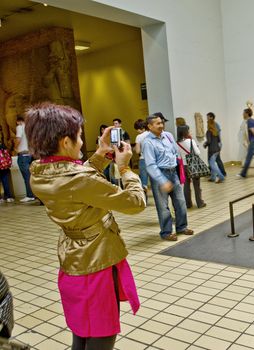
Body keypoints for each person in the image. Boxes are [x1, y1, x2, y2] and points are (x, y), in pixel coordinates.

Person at [26, 102, 146, 350]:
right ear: (65, 142)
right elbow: (135, 202)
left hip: (73, 260)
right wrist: (124, 168)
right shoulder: (78, 179)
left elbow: (76, 181)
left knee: (81, 333)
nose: (82, 142)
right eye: (79, 137)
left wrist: (101, 153)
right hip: (95, 264)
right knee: (101, 335)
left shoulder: (39, 171)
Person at [142, 113, 194, 241]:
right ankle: (166, 232)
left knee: (180, 202)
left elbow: (175, 151)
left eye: (161, 122)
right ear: (150, 126)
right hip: (159, 175)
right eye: (158, 123)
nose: (161, 125)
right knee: (163, 206)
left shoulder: (168, 136)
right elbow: (150, 165)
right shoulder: (148, 142)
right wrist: (162, 181)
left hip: (173, 172)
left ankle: (182, 227)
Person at [177, 125, 206, 208]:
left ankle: (188, 204)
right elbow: (197, 153)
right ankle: (200, 203)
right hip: (193, 165)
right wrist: (196, 147)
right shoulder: (190, 141)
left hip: (184, 166)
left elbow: (178, 157)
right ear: (186, 132)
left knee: (186, 186)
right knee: (196, 186)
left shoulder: (177, 143)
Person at [14, 116, 35, 202]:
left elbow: (18, 139)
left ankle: (30, 195)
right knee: (31, 176)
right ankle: (34, 194)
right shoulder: (29, 128)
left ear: (18, 121)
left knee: (26, 176)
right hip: (30, 154)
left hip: (22, 155)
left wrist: (15, 147)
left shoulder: (19, 127)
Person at [204, 119, 225, 183]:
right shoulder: (216, 131)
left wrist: (205, 144)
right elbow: (219, 141)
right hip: (217, 149)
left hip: (212, 150)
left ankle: (221, 177)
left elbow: (209, 141)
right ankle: (213, 177)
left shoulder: (208, 131)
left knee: (212, 164)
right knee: (212, 163)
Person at [133, 119, 149, 201]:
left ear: (140, 128)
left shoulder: (139, 137)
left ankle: (144, 200)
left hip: (143, 160)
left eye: (137, 129)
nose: (137, 131)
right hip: (153, 160)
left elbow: (138, 151)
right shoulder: (151, 134)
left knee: (144, 181)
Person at [0, 128, 14, 204]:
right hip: (4, 165)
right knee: (5, 181)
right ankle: (8, 197)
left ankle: (0, 198)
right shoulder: (2, 144)